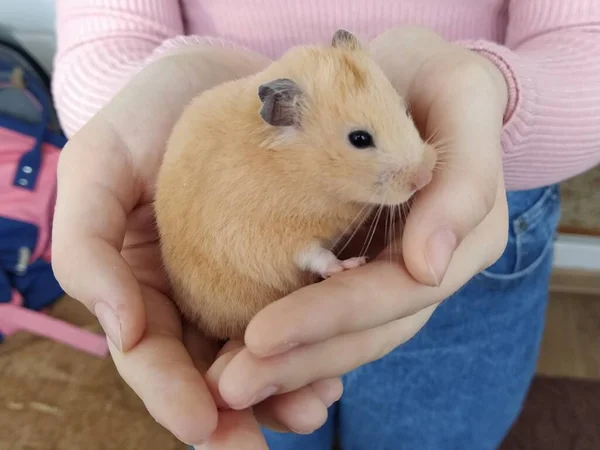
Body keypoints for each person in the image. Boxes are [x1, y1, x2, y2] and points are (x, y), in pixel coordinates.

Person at [50, 1, 600, 449]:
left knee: (440, 430)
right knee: (273, 412)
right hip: (256, 296)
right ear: (282, 117)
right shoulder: (254, 174)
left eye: (403, 117)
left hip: (486, 230)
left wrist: (494, 91)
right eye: (361, 140)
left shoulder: (370, 140)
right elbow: (105, 37)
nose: (418, 163)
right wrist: (321, 258)